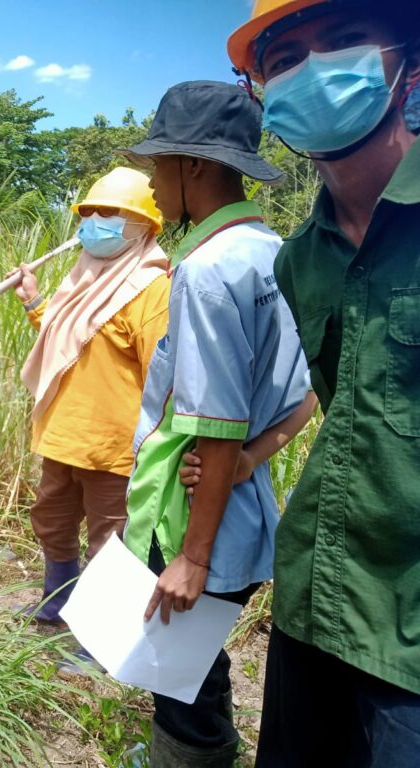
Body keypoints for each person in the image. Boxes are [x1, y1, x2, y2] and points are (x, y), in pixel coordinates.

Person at [228, 2, 420, 764]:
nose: (313, 72)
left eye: (342, 42)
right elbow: (338, 407)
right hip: (316, 603)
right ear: (262, 94)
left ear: (407, 61)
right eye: (285, 59)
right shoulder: (298, 259)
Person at [117, 81, 309, 766]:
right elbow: (310, 391)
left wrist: (192, 558)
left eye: (157, 165)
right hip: (244, 505)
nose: (151, 182)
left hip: (197, 518)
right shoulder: (274, 251)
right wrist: (256, 456)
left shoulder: (204, 271)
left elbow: (217, 422)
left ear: (193, 165)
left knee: (177, 680)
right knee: (196, 660)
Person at [10, 167, 170, 640]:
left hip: (114, 445)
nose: (97, 221)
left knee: (110, 540)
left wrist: (158, 445)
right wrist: (34, 303)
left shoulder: (151, 290)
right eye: (91, 212)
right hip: (63, 435)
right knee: (52, 521)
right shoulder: (84, 277)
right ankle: (57, 601)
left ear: (144, 227)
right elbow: (69, 340)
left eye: (112, 213)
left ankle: (99, 636)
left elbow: (163, 376)